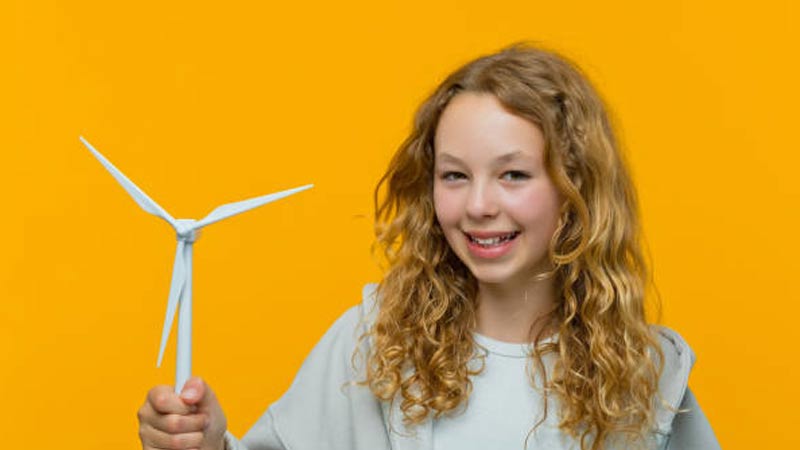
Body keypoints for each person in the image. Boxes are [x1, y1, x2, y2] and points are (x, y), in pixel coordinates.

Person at [136, 43, 720, 450]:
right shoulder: (371, 344)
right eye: (454, 175)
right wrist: (206, 446)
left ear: (574, 189)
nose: (478, 206)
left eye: (513, 175)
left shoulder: (648, 374)